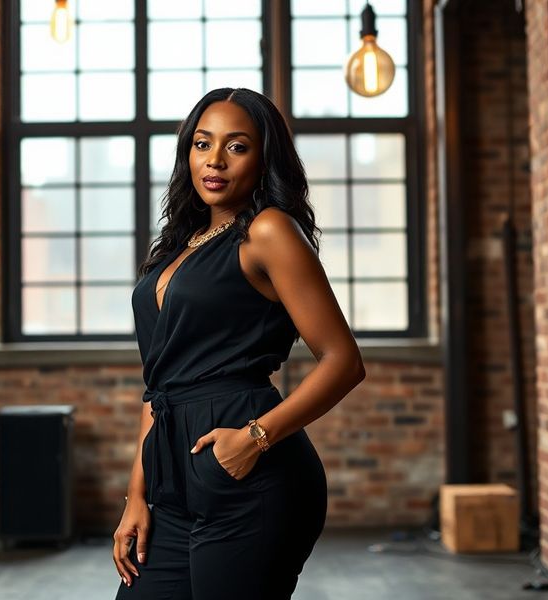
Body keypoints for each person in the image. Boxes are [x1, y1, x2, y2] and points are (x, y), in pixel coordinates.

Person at [112, 87, 366, 600]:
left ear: (263, 157)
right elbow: (157, 388)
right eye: (203, 144)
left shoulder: (268, 232)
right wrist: (136, 495)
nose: (216, 160)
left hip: (249, 477)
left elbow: (343, 361)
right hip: (174, 485)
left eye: (237, 146)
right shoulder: (177, 246)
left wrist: (254, 438)